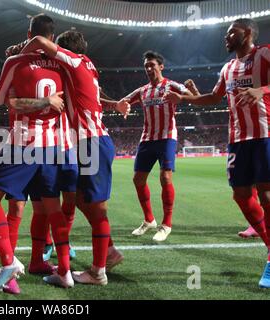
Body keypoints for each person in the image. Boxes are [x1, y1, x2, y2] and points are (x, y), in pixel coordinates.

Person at [164, 18, 270, 288]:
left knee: (266, 194)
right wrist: (184, 98)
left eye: (230, 32)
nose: (226, 37)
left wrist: (262, 89)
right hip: (237, 140)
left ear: (246, 33)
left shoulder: (265, 54)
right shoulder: (228, 68)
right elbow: (213, 97)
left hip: (265, 134)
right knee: (241, 195)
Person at [21, 30, 129, 285]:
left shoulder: (73, 60)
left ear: (65, 49)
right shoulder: (88, 67)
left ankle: (98, 272)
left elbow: (37, 41)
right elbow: (92, 98)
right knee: (81, 200)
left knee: (98, 209)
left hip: (90, 142)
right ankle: (109, 251)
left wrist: (19, 57)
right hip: (88, 142)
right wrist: (115, 105)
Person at [0, 14, 72, 295]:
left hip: (23, 144)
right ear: (52, 38)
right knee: (45, 207)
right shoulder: (63, 63)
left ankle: (8, 264)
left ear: (29, 33)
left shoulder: (16, 61)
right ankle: (47, 264)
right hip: (53, 147)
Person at [116, 51, 194, 242]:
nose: (149, 69)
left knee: (165, 176)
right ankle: (149, 220)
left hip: (167, 136)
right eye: (146, 66)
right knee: (138, 179)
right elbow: (122, 101)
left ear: (161, 66)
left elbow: (192, 96)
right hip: (147, 138)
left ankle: (166, 224)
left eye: (152, 65)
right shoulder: (142, 91)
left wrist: (187, 94)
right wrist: (123, 105)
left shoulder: (172, 85)